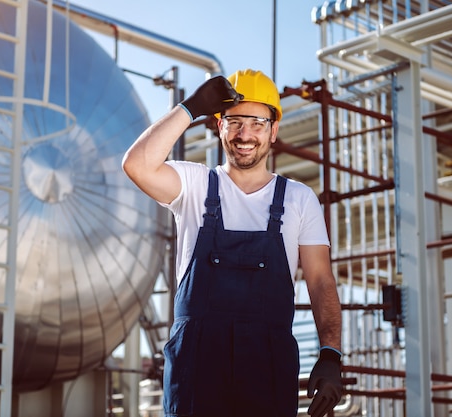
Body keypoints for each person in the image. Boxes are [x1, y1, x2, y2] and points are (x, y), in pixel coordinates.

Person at [122, 69, 343, 417]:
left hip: (267, 368)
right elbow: (137, 165)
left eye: (257, 122)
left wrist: (331, 353)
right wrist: (190, 107)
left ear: (274, 129)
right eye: (234, 121)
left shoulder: (299, 199)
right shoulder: (194, 185)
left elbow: (320, 280)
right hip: (196, 367)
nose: (245, 134)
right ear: (219, 126)